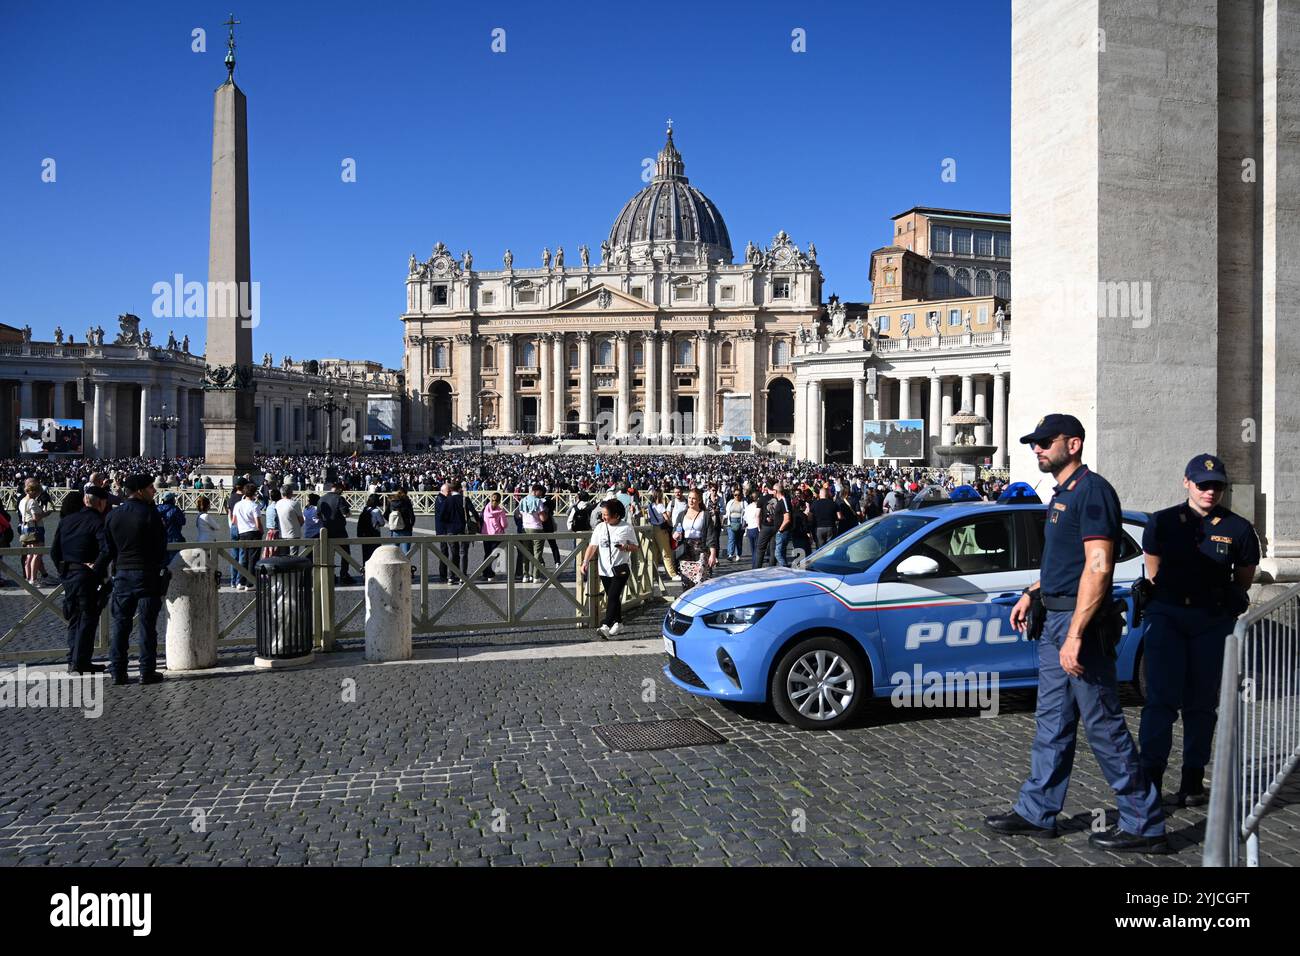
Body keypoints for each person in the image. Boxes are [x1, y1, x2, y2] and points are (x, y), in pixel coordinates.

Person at [985, 413, 1166, 853]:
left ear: (1075, 443)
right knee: (1052, 722)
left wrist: (1076, 635)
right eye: (1035, 442)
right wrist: (1033, 591)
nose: (1038, 448)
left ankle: (1144, 822)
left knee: (1103, 725)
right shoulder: (1062, 493)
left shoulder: (1093, 491)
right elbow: (1064, 564)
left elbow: (1098, 567)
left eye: (1047, 441)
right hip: (1055, 619)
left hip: (1078, 627)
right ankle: (1038, 811)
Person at [1138, 453, 1259, 808]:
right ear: (1187, 482)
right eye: (1203, 484)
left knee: (1202, 704)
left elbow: (1245, 576)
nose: (1210, 491)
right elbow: (1153, 572)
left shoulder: (1238, 528)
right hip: (1168, 618)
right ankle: (1151, 779)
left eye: (1217, 486)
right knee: (1160, 702)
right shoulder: (1162, 522)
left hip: (1211, 621)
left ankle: (1192, 780)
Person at [104, 474, 169, 686]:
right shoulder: (150, 514)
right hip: (146, 575)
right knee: (147, 626)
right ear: (140, 490)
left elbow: (109, 548)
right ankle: (146, 671)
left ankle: (118, 671)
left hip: (122, 574)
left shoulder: (114, 515)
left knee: (120, 625)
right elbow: (161, 547)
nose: (154, 490)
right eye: (151, 487)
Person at [50, 486, 112, 674]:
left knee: (74, 617)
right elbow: (107, 550)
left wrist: (63, 572)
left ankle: (73, 659)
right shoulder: (98, 522)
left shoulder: (66, 520)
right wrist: (96, 570)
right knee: (88, 618)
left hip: (69, 574)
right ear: (101, 503)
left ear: (86, 500)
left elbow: (54, 552)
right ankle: (81, 661)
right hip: (87, 577)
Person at [578, 497, 639, 639]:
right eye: (603, 514)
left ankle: (606, 625)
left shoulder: (626, 527)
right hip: (604, 569)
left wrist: (626, 547)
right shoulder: (600, 527)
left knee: (611, 596)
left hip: (620, 569)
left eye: (606, 515)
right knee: (613, 598)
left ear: (616, 515)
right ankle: (619, 623)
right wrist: (585, 562)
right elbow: (593, 546)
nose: (603, 517)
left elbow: (635, 547)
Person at [673, 489, 718, 588]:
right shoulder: (682, 515)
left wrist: (713, 554)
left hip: (701, 550)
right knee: (687, 582)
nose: (691, 501)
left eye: (694, 498)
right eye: (689, 498)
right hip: (685, 551)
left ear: (699, 500)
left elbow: (711, 536)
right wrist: (675, 534)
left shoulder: (705, 515)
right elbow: (675, 530)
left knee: (700, 581)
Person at [318, 481, 354, 583]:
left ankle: (330, 575)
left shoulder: (322, 498)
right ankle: (344, 575)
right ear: (338, 489)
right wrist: (349, 513)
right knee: (345, 554)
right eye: (341, 490)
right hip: (339, 530)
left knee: (329, 554)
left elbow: (318, 515)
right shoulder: (339, 498)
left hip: (326, 531)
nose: (342, 492)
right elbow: (346, 514)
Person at [18, 478, 50, 586]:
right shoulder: (32, 501)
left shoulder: (22, 501)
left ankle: (28, 578)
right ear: (34, 491)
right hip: (35, 529)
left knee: (29, 555)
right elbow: (36, 517)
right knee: (37, 554)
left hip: (25, 529)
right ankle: (34, 579)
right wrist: (46, 514)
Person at [231, 483, 263, 590]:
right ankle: (250, 583)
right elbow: (258, 524)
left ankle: (240, 582)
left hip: (242, 533)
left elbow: (234, 521)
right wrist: (261, 531)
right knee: (253, 559)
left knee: (243, 558)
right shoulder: (254, 506)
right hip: (253, 533)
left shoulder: (237, 505)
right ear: (254, 493)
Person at [518, 484, 547, 583]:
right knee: (537, 554)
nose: (541, 494)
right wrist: (546, 514)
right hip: (537, 528)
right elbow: (543, 518)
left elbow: (520, 514)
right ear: (536, 491)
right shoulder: (538, 502)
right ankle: (535, 576)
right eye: (541, 492)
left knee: (526, 553)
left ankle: (525, 576)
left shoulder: (523, 500)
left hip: (525, 528)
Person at [480, 491, 508, 582]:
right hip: (497, 534)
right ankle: (488, 572)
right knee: (495, 553)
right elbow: (504, 525)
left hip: (486, 533)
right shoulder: (500, 511)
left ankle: (486, 571)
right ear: (500, 501)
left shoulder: (485, 508)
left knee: (487, 553)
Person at [157, 491, 186, 565]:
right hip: (174, 538)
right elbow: (182, 522)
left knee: (161, 562)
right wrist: (182, 515)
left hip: (159, 540)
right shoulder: (175, 509)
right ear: (172, 500)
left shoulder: (157, 508)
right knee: (174, 563)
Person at [357, 492, 385, 565]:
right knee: (375, 552)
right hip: (374, 533)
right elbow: (382, 523)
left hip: (364, 534)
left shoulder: (364, 509)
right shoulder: (376, 511)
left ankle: (365, 569)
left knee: (366, 553)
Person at [275, 483, 305, 552]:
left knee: (283, 556)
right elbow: (301, 521)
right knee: (293, 557)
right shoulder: (295, 504)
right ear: (291, 493)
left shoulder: (278, 503)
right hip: (294, 534)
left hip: (282, 533)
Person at [724, 488, 746, 562]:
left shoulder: (744, 503)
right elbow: (727, 513)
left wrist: (745, 523)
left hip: (740, 522)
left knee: (739, 540)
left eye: (738, 495)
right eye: (735, 495)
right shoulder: (730, 502)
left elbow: (746, 513)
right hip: (731, 522)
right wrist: (723, 518)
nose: (737, 496)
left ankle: (738, 554)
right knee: (731, 539)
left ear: (741, 495)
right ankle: (730, 554)